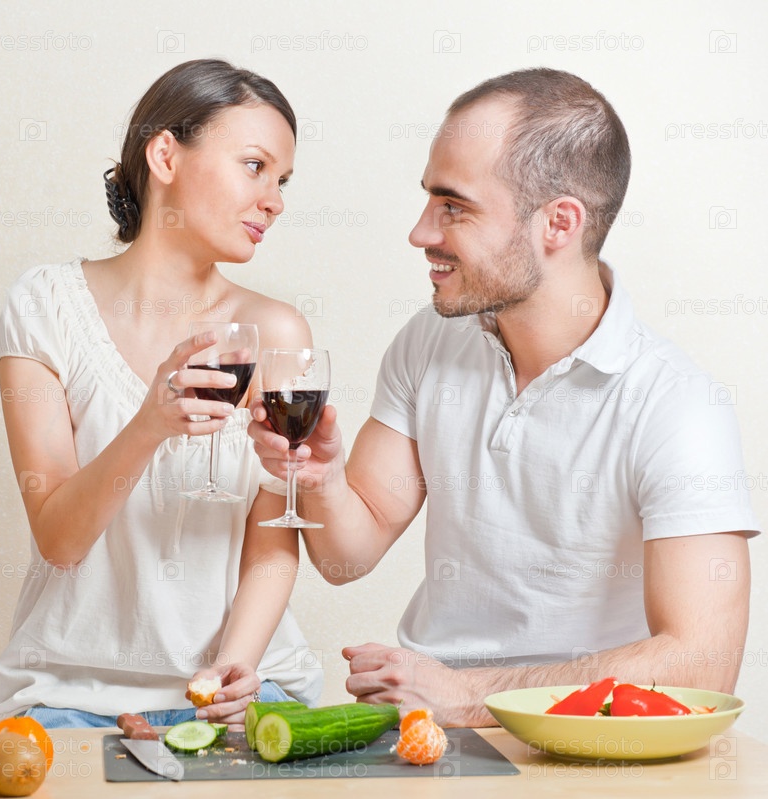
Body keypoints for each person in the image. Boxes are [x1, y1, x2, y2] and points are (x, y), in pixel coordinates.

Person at [250, 68, 759, 726]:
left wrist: (469, 694)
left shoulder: (677, 405)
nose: (420, 232)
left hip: (590, 740)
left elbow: (703, 663)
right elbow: (347, 557)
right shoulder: (430, 339)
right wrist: (320, 481)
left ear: (558, 223)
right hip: (432, 728)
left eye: (453, 206)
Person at [0, 59, 321, 728]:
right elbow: (59, 540)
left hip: (242, 689)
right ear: (165, 155)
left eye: (282, 181)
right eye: (254, 167)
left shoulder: (277, 330)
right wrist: (149, 425)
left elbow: (271, 540)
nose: (275, 201)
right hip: (74, 694)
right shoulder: (45, 305)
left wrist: (232, 669)